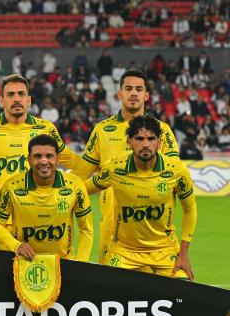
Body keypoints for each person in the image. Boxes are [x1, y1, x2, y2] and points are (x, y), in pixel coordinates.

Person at [0, 74, 80, 249]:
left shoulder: (45, 128)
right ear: (1, 101)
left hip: (35, 218)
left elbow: (73, 162)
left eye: (21, 94)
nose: (16, 99)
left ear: (29, 100)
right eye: (11, 94)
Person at [72, 69, 180, 264]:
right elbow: (80, 173)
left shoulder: (162, 131)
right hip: (111, 223)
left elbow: (175, 175)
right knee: (111, 287)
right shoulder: (103, 130)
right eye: (128, 88)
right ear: (119, 94)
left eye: (139, 89)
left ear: (146, 95)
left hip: (152, 227)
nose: (133, 93)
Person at [84, 116, 196, 280]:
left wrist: (184, 255)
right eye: (139, 139)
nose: (145, 144)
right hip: (124, 251)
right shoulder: (115, 169)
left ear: (159, 142)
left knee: (183, 293)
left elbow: (190, 209)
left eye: (151, 139)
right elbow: (83, 189)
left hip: (165, 250)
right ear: (129, 142)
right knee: (110, 292)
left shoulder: (176, 171)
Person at [0, 135, 93, 261]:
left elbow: (86, 230)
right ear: (28, 159)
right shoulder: (11, 186)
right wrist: (17, 245)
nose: (44, 161)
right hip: (24, 262)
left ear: (58, 159)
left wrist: (80, 264)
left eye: (49, 156)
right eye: (37, 156)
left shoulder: (75, 185)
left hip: (63, 263)